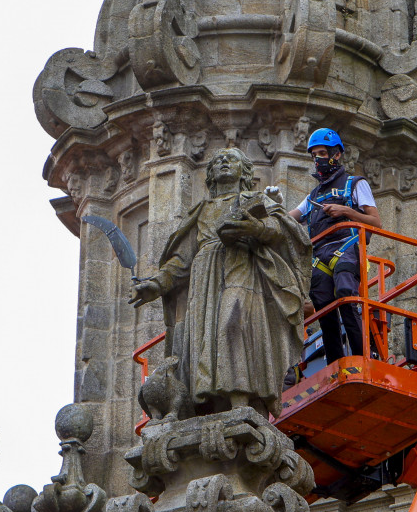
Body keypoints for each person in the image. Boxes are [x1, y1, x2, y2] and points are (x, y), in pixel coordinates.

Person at [130, 147, 311, 418]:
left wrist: (255, 229)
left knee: (234, 322)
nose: (224, 162)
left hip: (241, 266)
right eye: (218, 161)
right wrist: (156, 284)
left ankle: (242, 401)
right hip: (205, 278)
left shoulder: (256, 200)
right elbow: (181, 260)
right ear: (211, 175)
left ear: (245, 173)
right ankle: (213, 405)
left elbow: (284, 232)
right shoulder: (202, 210)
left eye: (233, 159)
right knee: (206, 339)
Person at [289, 128, 381, 364]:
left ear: (336, 154)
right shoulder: (314, 195)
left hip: (347, 246)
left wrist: (346, 211)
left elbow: (376, 222)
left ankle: (363, 357)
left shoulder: (355, 184)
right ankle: (336, 364)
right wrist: (270, 208)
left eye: (322, 153)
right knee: (325, 309)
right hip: (320, 255)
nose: (318, 159)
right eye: (314, 155)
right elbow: (292, 217)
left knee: (345, 294)